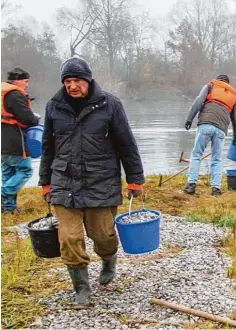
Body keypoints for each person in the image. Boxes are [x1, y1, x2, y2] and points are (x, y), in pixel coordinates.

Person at [38, 55, 145, 307]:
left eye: (77, 81)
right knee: (69, 238)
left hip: (101, 180)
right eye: (67, 81)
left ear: (88, 81)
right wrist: (45, 181)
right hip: (64, 182)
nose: (72, 86)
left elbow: (126, 144)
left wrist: (135, 179)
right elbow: (47, 146)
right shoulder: (54, 105)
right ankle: (81, 287)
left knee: (103, 235)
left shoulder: (110, 104)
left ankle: (108, 260)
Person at [183, 74, 236, 196]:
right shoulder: (232, 95)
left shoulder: (210, 85)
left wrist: (189, 119)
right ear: (227, 84)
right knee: (217, 158)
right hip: (221, 129)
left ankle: (191, 185)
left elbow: (199, 101)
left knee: (197, 154)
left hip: (206, 124)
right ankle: (216, 188)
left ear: (218, 80)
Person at [1, 68, 40, 213]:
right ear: (17, 81)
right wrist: (36, 119)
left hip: (3, 141)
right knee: (25, 170)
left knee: (8, 173)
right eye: (26, 81)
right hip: (15, 141)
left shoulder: (3, 93)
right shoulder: (15, 95)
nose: (27, 84)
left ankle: (8, 209)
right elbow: (27, 118)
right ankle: (3, 194)